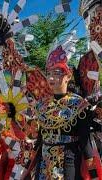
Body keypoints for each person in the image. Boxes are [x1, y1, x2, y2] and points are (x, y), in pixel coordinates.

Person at [30, 45, 100, 179]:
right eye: (49, 73)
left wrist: (94, 176)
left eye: (56, 73)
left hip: (68, 166)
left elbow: (85, 146)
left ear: (68, 76)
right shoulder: (41, 105)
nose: (51, 78)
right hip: (43, 167)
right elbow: (40, 140)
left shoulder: (78, 105)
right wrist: (28, 165)